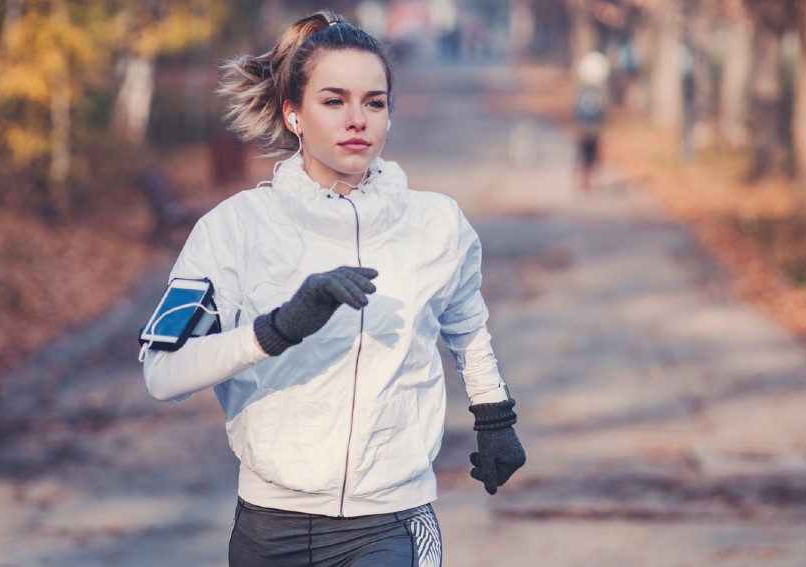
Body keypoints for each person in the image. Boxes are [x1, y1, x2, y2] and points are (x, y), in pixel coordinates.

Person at [141, 10, 526, 566]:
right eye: (333, 100)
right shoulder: (234, 228)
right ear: (292, 114)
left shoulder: (437, 225)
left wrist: (495, 416)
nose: (357, 120)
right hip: (268, 529)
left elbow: (467, 328)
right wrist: (276, 330)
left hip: (389, 522)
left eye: (374, 102)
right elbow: (163, 374)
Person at [573, 50, 609, 192]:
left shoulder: (581, 89)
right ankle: (589, 180)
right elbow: (605, 108)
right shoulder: (600, 90)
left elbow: (575, 107)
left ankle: (587, 180)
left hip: (585, 128)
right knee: (591, 154)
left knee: (585, 154)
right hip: (593, 128)